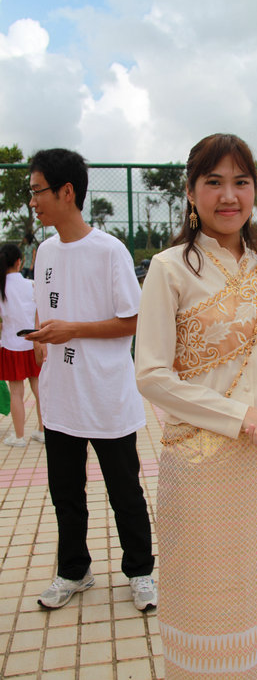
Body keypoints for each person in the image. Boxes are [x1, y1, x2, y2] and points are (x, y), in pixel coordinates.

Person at [135, 133, 257, 679]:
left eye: (241, 182)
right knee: (197, 592)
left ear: (254, 191)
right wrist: (244, 417)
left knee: (248, 587)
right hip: (197, 464)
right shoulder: (170, 268)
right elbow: (151, 375)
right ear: (191, 191)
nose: (228, 195)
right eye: (213, 181)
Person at [26, 148, 157, 611]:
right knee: (65, 493)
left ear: (67, 192)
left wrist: (73, 330)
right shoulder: (44, 251)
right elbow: (46, 306)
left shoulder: (109, 250)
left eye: (38, 191)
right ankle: (74, 570)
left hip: (105, 396)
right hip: (61, 397)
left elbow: (133, 320)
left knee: (125, 491)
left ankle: (140, 571)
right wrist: (42, 334)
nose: (33, 202)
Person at [0, 243, 43, 447]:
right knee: (39, 389)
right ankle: (43, 431)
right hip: (33, 343)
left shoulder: (2, 288)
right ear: (19, 261)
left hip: (11, 346)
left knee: (16, 393)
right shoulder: (31, 285)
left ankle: (19, 437)